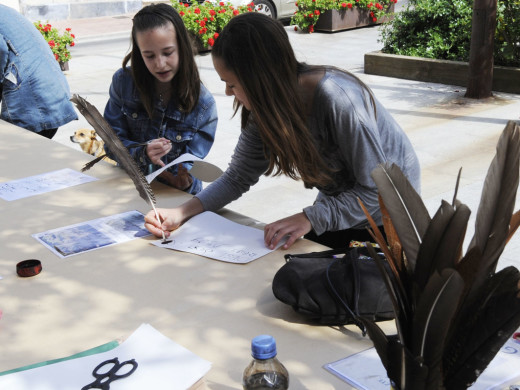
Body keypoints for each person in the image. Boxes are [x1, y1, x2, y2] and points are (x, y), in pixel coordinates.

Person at [144, 12, 420, 250]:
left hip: (391, 218)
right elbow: (238, 177)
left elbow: (379, 192)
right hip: (343, 209)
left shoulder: (340, 101)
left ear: (261, 79)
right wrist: (180, 213)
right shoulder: (265, 110)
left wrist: (310, 217)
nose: (228, 93)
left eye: (232, 83)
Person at [104, 3, 218, 195]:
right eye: (149, 55)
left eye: (168, 52)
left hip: (174, 199)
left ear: (182, 47)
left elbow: (192, 167)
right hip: (128, 190)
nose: (160, 64)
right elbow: (111, 142)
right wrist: (141, 154)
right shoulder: (123, 82)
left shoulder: (203, 104)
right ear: (139, 54)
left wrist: (185, 181)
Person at [0, 5, 77, 139]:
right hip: (48, 97)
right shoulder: (5, 11)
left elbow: (1, 50)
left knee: (19, 154)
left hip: (32, 104)